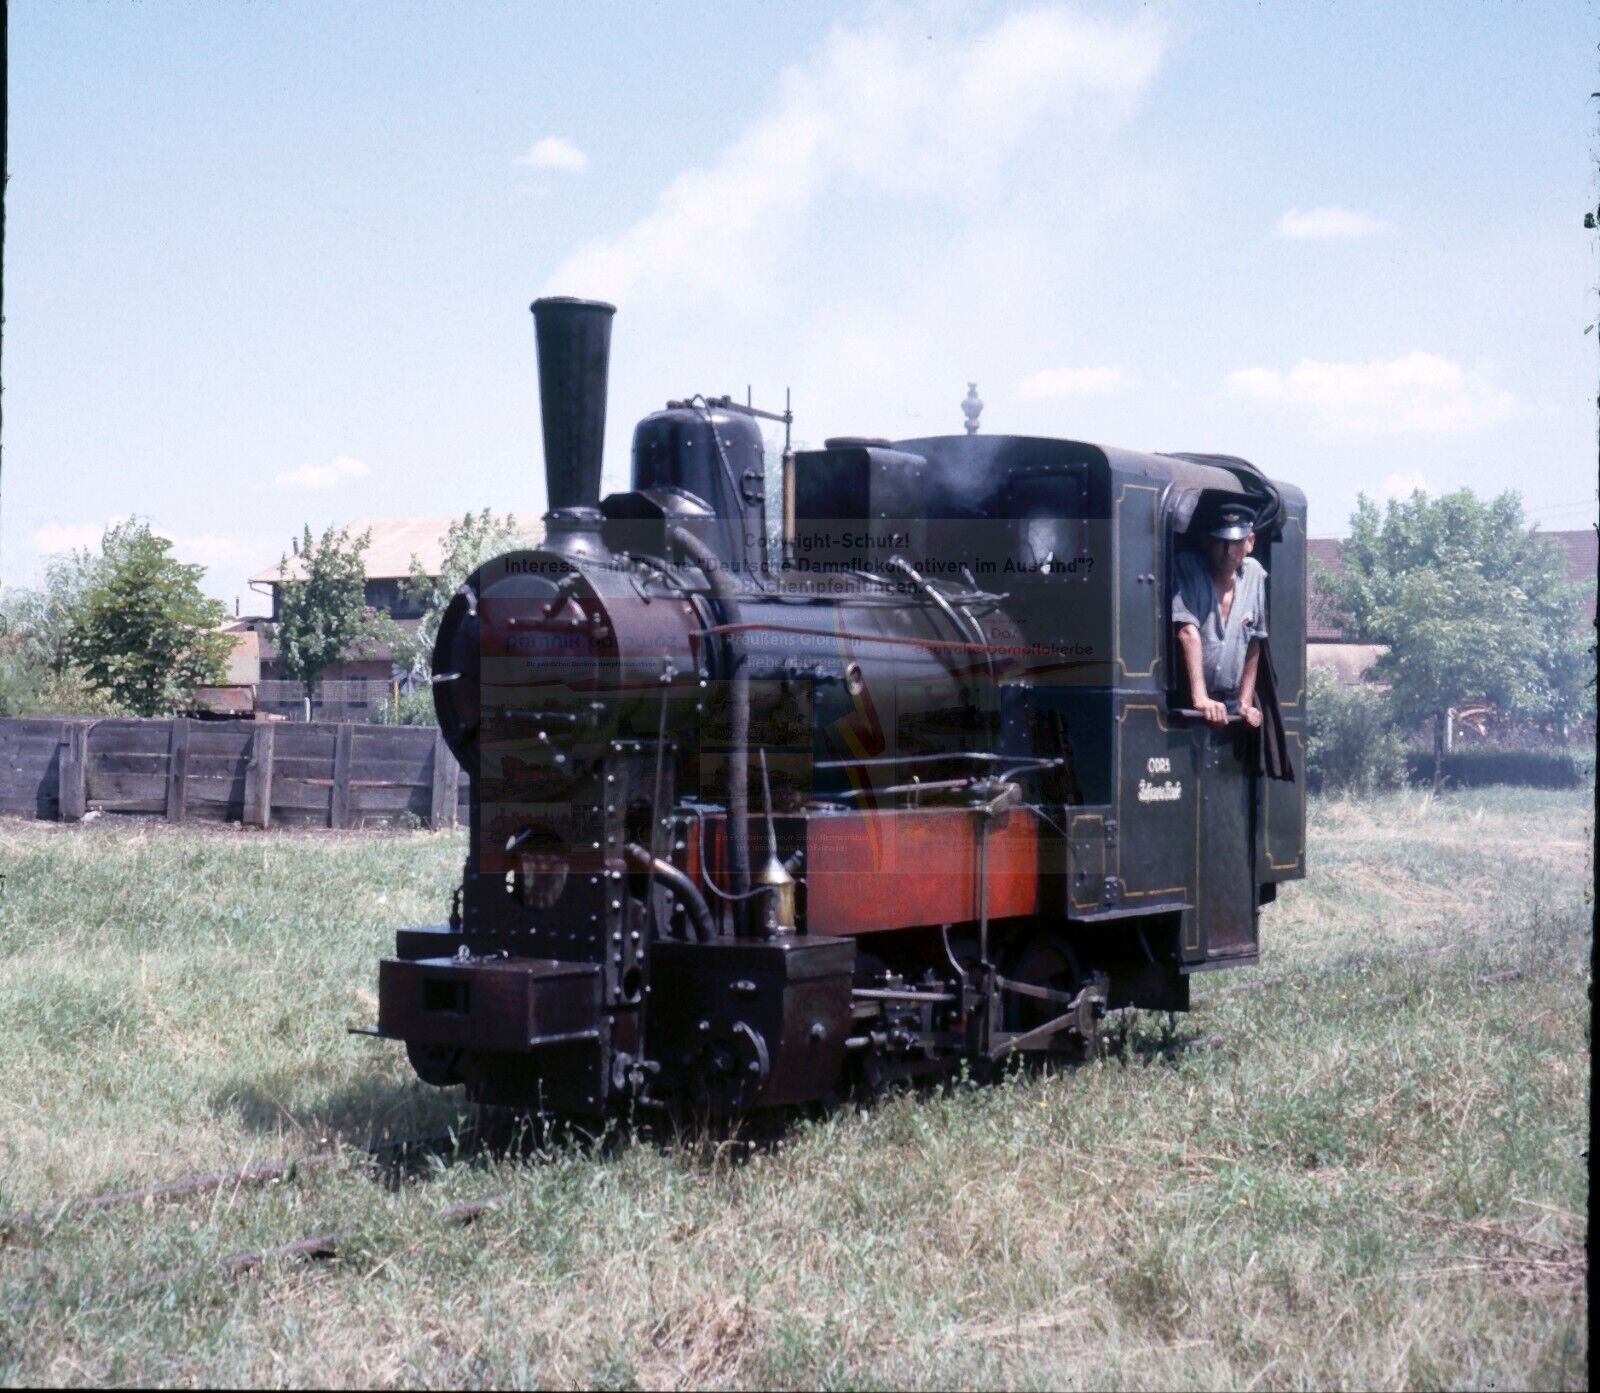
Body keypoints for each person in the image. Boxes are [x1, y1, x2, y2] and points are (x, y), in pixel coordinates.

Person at [1172, 503, 1267, 730]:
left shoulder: (1254, 574)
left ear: (1250, 542)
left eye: (1235, 542)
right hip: (1189, 700)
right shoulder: (1189, 568)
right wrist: (1201, 699)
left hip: (1231, 704)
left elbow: (1254, 639)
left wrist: (1245, 702)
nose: (1228, 552)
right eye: (1220, 542)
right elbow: (1187, 632)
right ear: (1207, 542)